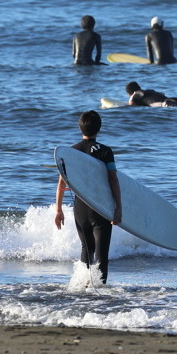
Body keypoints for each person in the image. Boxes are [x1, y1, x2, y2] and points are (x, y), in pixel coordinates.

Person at [54, 110, 122, 285]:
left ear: (80, 128)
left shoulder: (71, 152)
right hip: (101, 209)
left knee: (86, 249)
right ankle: (100, 294)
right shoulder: (106, 151)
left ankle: (83, 290)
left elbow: (61, 183)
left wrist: (58, 210)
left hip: (80, 209)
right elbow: (113, 179)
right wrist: (118, 207)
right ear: (99, 128)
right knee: (101, 255)